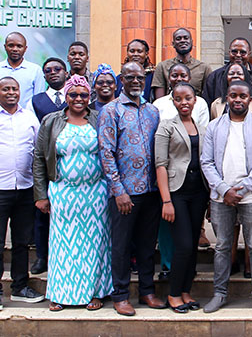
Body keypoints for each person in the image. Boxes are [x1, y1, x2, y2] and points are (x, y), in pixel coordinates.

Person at [33, 75, 111, 312]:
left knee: (96, 244)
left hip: (96, 193)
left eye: (84, 95)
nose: (78, 99)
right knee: (62, 244)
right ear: (65, 97)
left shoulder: (99, 118)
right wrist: (40, 194)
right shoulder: (51, 121)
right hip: (63, 192)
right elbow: (38, 157)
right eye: (73, 95)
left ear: (91, 97)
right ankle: (60, 293)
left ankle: (95, 292)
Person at [200, 80, 252, 314]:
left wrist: (240, 190)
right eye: (233, 95)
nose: (238, 100)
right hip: (221, 197)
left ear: (250, 99)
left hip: (251, 197)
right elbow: (207, 162)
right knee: (222, 246)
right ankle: (219, 294)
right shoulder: (214, 126)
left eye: (243, 96)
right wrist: (224, 190)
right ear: (227, 98)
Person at [0, 77, 44, 311]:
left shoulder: (29, 119)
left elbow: (37, 153)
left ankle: (20, 287)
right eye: (6, 89)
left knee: (22, 242)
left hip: (24, 190)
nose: (11, 92)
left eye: (15, 88)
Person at [98, 62, 163, 316]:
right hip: (125, 193)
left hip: (151, 192)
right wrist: (118, 190)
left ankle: (147, 291)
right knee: (122, 246)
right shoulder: (111, 111)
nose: (136, 81)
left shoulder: (152, 111)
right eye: (130, 77)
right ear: (121, 80)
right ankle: (121, 295)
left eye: (140, 77)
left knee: (147, 246)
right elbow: (106, 153)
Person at [155, 82, 208, 313]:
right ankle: (174, 294)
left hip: (198, 192)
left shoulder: (200, 127)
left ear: (195, 100)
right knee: (183, 245)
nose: (184, 102)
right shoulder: (166, 126)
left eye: (188, 98)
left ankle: (186, 291)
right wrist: (166, 200)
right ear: (173, 101)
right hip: (176, 193)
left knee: (193, 245)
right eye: (178, 98)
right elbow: (160, 164)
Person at [28, 57, 71, 275]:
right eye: (48, 70)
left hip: (71, 163)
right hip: (47, 162)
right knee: (42, 213)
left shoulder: (77, 98)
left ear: (66, 72)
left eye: (57, 69)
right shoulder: (36, 100)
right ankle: (41, 257)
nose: (53, 72)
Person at [203, 37, 252, 103]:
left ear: (249, 54)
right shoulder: (214, 77)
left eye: (242, 52)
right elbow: (208, 103)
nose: (238, 55)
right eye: (234, 52)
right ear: (229, 52)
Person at [152, 28, 210, 99]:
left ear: (191, 42)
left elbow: (208, 95)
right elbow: (159, 100)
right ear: (173, 44)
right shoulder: (162, 66)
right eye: (178, 38)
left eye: (186, 38)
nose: (182, 40)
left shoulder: (204, 68)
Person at [0, 32, 45, 107]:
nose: (15, 49)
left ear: (25, 48)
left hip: (26, 117)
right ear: (5, 47)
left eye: (19, 46)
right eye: (11, 46)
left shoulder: (35, 70)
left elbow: (39, 100)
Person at [153, 63, 210, 129]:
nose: (179, 79)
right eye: (174, 76)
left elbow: (203, 130)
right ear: (169, 79)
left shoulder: (200, 103)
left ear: (189, 78)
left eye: (183, 76)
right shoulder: (158, 104)